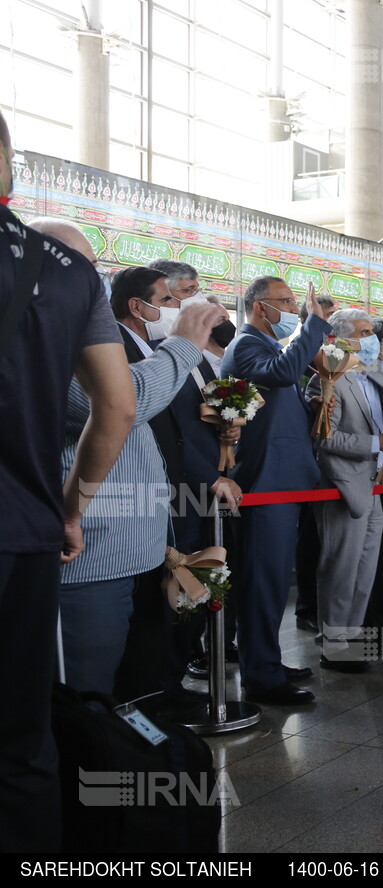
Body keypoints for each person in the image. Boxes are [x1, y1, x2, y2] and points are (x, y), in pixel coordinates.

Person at [0, 110, 135, 850]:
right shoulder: (69, 271)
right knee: (23, 737)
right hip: (27, 532)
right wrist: (71, 507)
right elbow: (116, 408)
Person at [57, 273, 221, 698]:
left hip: (140, 547)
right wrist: (184, 341)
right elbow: (124, 403)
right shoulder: (47, 343)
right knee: (89, 699)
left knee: (138, 690)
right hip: (94, 557)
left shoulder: (91, 339)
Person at [220, 276, 333, 705]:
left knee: (272, 579)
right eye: (284, 302)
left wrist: (317, 407)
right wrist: (313, 324)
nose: (291, 308)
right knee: (261, 581)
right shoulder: (247, 345)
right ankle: (262, 676)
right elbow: (284, 371)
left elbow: (281, 400)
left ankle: (266, 659)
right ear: (258, 307)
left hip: (287, 478)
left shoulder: (269, 347)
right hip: (265, 481)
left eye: (292, 301)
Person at [305, 301, 383, 671]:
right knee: (340, 566)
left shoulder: (372, 369)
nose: (373, 340)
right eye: (364, 334)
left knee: (364, 565)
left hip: (372, 483)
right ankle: (333, 642)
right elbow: (325, 440)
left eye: (372, 333)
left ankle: (352, 632)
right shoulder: (327, 378)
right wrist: (379, 443)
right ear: (340, 340)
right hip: (342, 484)